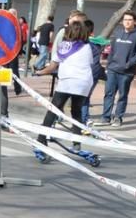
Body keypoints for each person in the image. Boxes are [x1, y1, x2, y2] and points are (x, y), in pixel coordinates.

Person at [34, 15, 94, 158]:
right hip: (84, 83)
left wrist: (39, 72)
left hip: (67, 82)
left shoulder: (63, 46)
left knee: (53, 111)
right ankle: (76, 141)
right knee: (76, 111)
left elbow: (52, 66)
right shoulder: (87, 47)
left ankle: (41, 140)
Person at [93, 11, 136, 128]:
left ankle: (118, 117)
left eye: (130, 20)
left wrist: (128, 64)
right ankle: (105, 117)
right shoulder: (118, 33)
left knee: (122, 95)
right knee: (108, 94)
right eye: (125, 19)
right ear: (122, 21)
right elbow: (112, 51)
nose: (127, 22)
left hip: (127, 72)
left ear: (134, 21)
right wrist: (108, 65)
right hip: (112, 69)